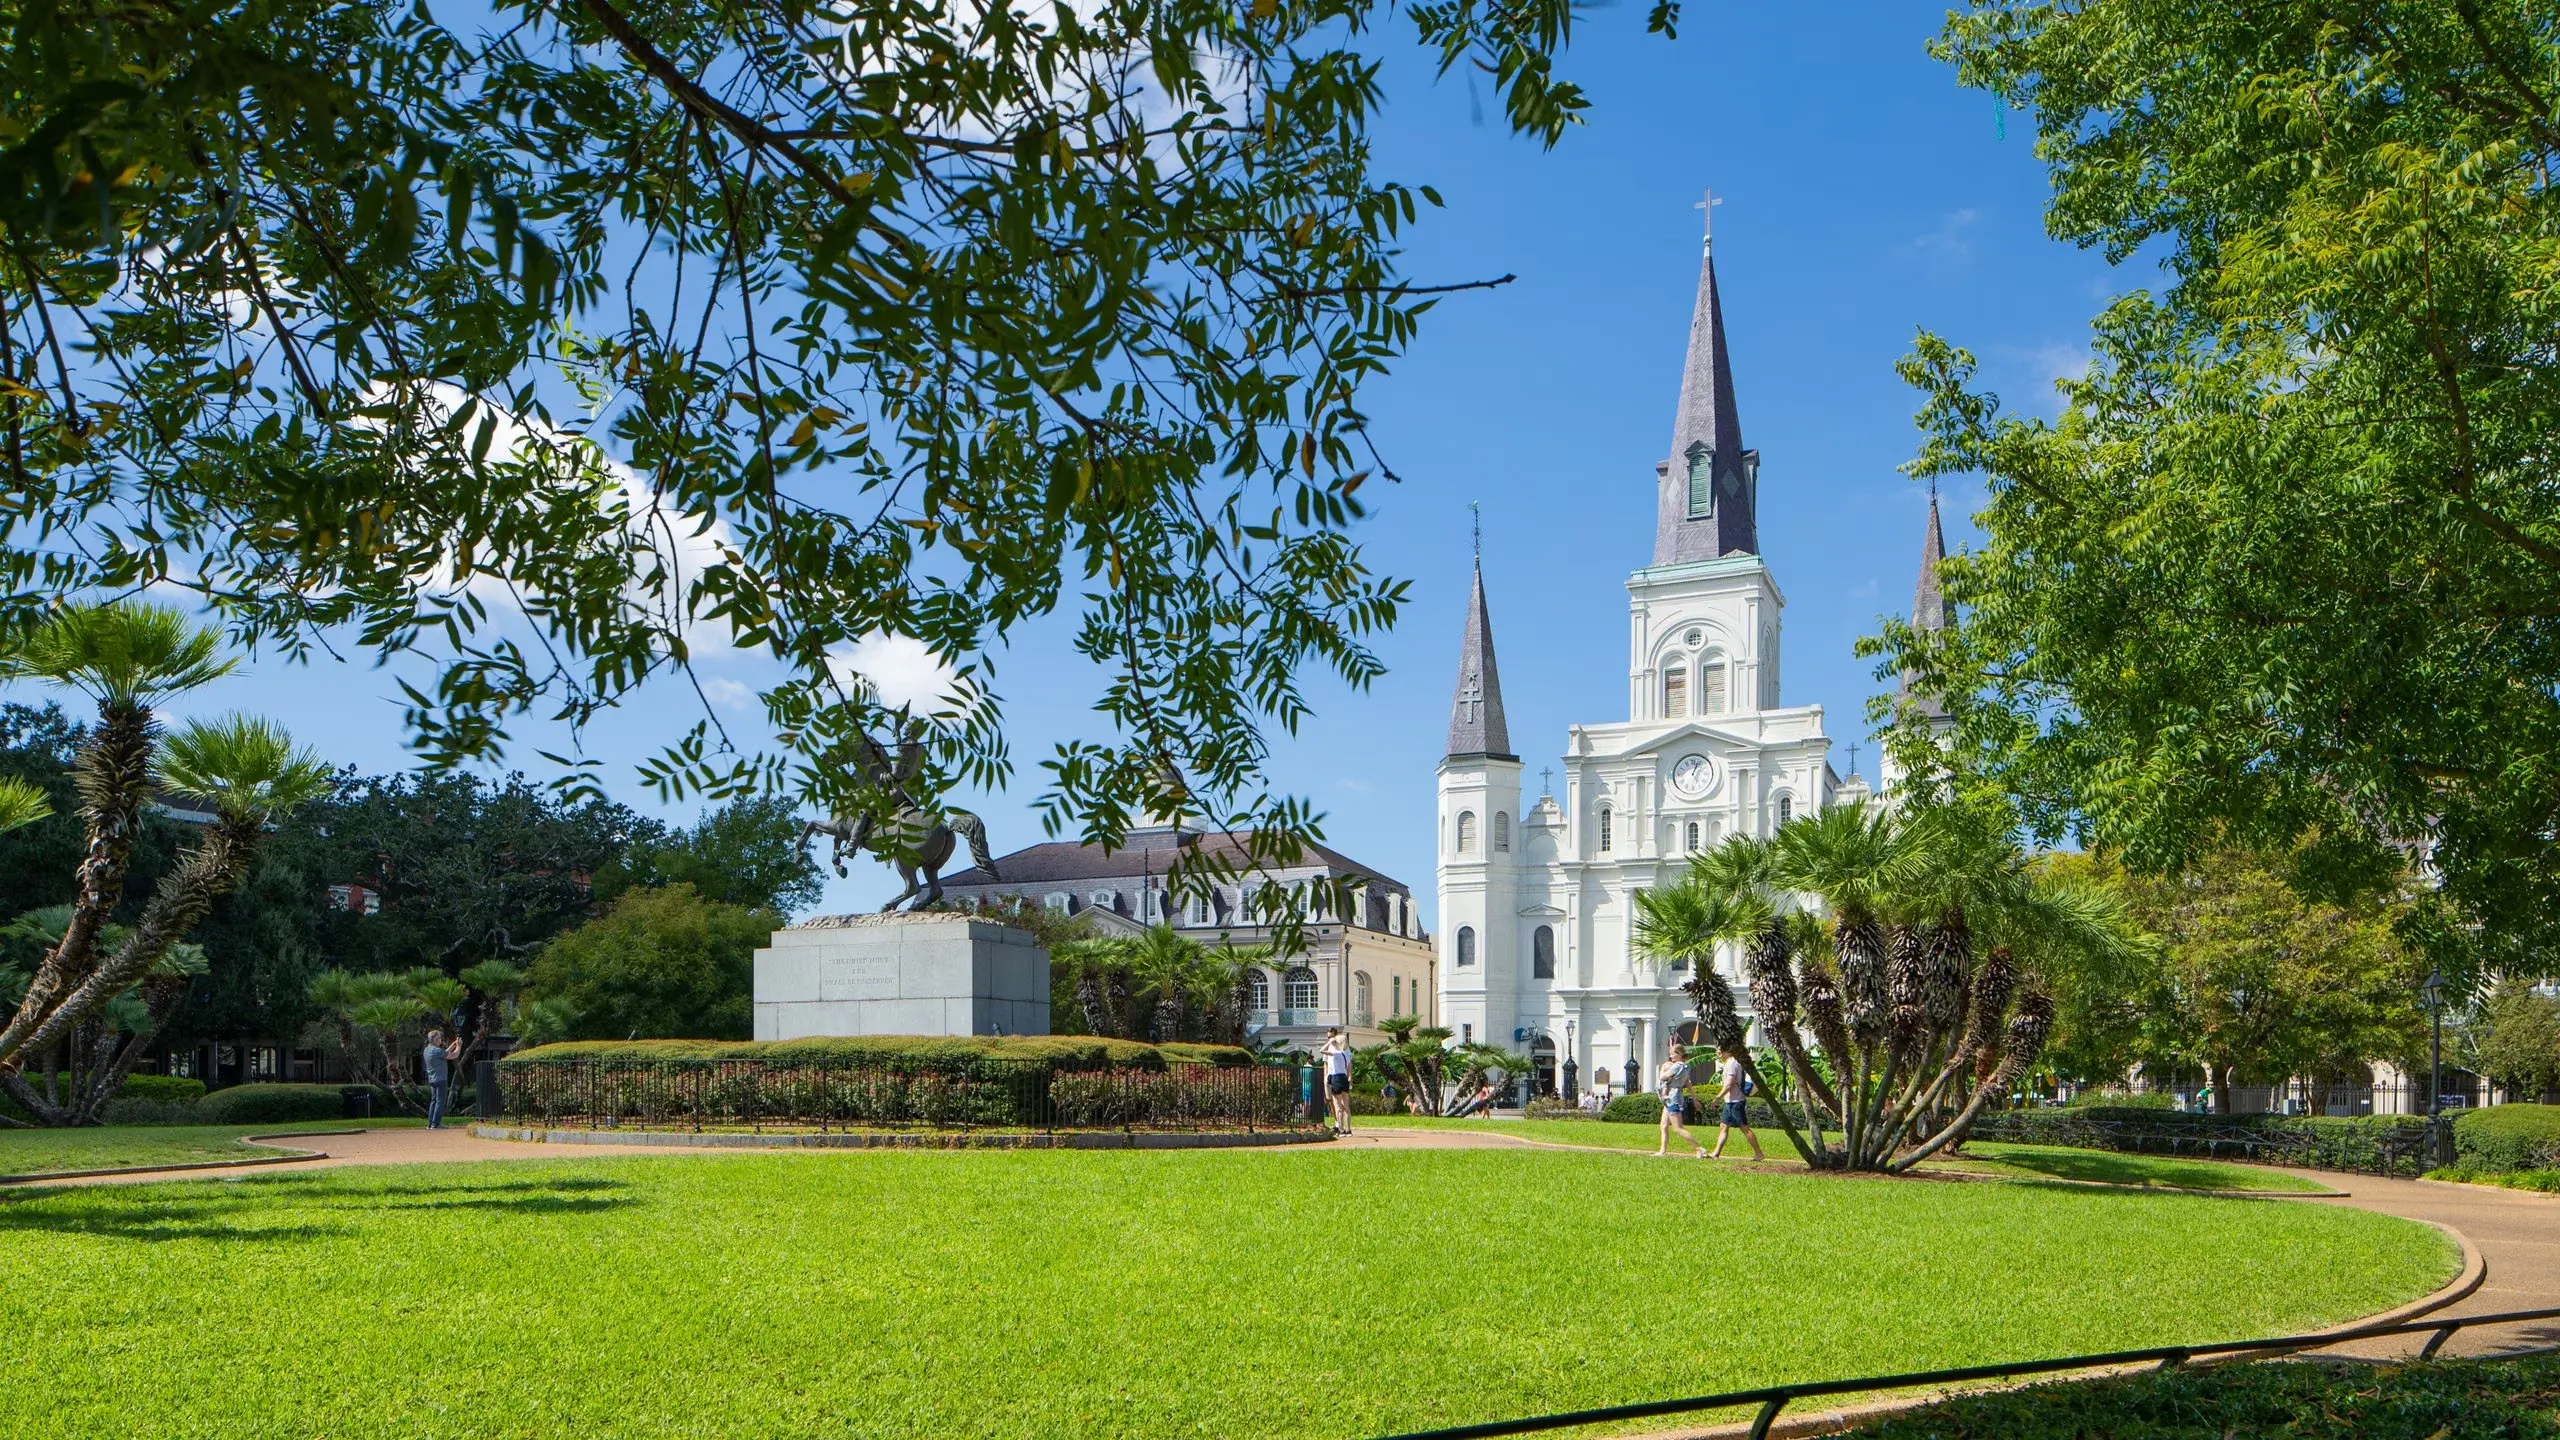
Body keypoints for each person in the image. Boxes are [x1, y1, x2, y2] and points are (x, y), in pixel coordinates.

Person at [1707, 1042, 1766, 1160]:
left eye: (1720, 1050)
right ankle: (1716, 1153)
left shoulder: (1732, 1064)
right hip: (1730, 1101)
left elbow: (1729, 1084)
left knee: (1744, 1128)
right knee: (1724, 1126)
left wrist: (1717, 1098)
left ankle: (1759, 1153)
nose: (1718, 1052)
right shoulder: (1730, 1063)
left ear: (1728, 1051)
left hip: (1736, 1101)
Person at [1655, 1041, 1704, 1158]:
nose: (1671, 1056)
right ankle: (1662, 1151)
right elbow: (1688, 1084)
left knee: (1677, 1128)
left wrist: (1662, 1069)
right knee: (1663, 1125)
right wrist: (1694, 1099)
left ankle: (1699, 1148)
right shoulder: (1686, 1066)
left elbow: (1662, 1077)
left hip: (1672, 1097)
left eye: (1673, 1054)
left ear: (1680, 1054)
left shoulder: (1676, 1066)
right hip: (1672, 1097)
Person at [422, 1027, 463, 1130]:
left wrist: (452, 1045)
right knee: (440, 1102)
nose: (441, 1040)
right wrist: (459, 1046)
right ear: (435, 1039)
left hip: (432, 1079)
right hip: (440, 1079)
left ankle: (430, 1123)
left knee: (434, 1101)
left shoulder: (427, 1050)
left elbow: (443, 1053)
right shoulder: (436, 1050)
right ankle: (436, 1124)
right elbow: (453, 1056)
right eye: (439, 1038)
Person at [1319, 1027, 1354, 1133]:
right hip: (1343, 1078)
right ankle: (1348, 1129)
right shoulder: (1345, 1054)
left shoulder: (1336, 1052)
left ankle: (1341, 1129)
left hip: (1336, 1078)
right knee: (1346, 1106)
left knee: (1338, 1106)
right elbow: (1348, 1065)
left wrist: (1329, 1043)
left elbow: (1321, 1051)